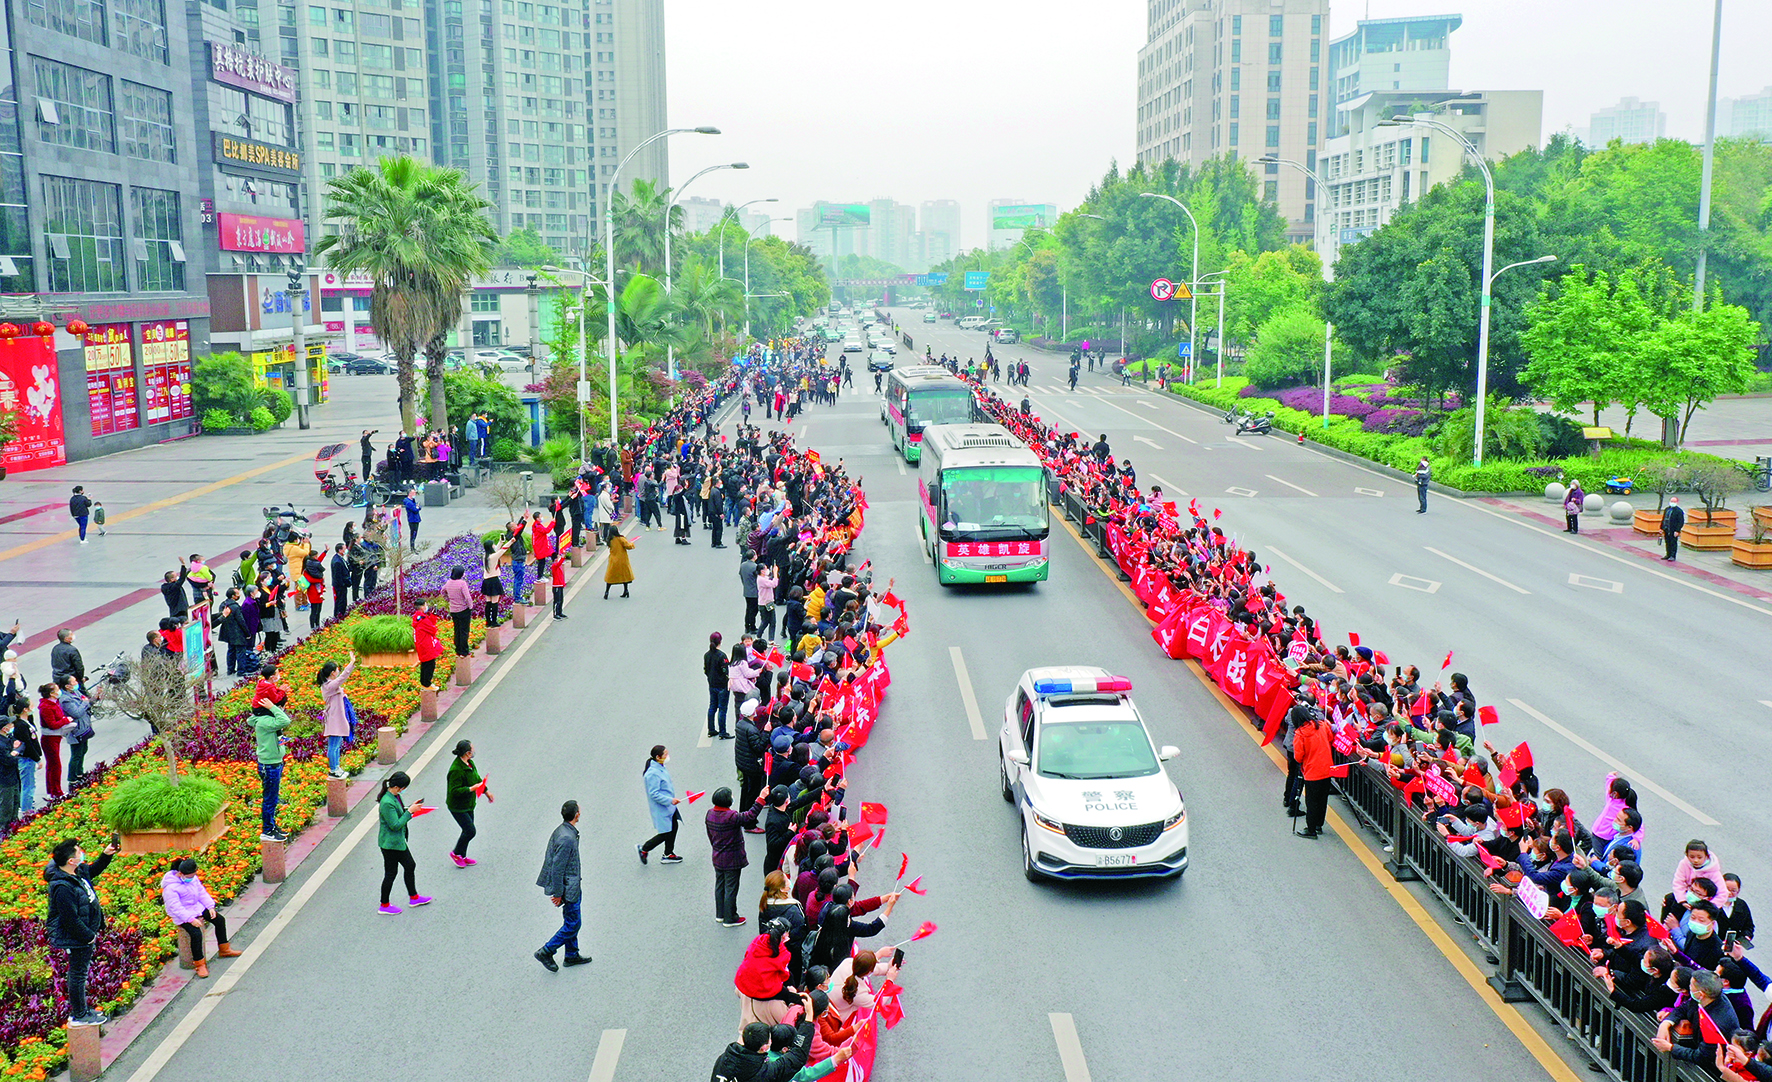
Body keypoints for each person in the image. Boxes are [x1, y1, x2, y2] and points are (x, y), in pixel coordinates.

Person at [45, 834, 118, 1025]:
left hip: (85, 934)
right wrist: (88, 937)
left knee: (81, 973)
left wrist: (106, 855)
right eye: (79, 853)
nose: (82, 854)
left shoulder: (76, 872)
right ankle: (79, 1014)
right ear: (71, 860)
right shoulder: (62, 886)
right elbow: (70, 919)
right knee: (77, 975)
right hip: (77, 937)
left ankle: (83, 1010)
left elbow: (92, 871)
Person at [161, 858, 241, 978]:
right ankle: (199, 964)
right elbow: (176, 908)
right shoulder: (170, 888)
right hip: (182, 915)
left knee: (219, 920)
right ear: (180, 873)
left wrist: (210, 907)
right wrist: (191, 919)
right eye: (190, 875)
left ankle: (224, 949)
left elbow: (201, 892)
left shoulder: (192, 879)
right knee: (196, 934)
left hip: (196, 907)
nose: (193, 877)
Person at [535, 799, 589, 970]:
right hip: (569, 886)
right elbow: (557, 869)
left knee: (571, 919)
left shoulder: (563, 831)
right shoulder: (567, 838)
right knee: (573, 923)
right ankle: (547, 950)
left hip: (569, 884)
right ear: (577, 815)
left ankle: (571, 954)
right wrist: (558, 893)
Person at [706, 787, 764, 926]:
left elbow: (710, 835)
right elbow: (750, 815)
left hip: (717, 855)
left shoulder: (710, 814)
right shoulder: (731, 816)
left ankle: (720, 914)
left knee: (720, 885)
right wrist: (761, 799)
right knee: (731, 888)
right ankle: (730, 917)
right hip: (732, 858)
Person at [376, 771, 431, 914]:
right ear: (399, 787)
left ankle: (412, 897)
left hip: (395, 842)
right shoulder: (387, 802)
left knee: (403, 868)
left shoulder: (395, 797)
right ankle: (386, 904)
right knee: (393, 872)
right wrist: (410, 812)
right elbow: (395, 824)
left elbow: (399, 814)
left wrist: (411, 808)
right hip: (392, 844)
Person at [709, 1011, 815, 1082]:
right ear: (764, 1048)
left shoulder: (724, 1059)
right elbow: (797, 1057)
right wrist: (809, 1019)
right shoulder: (763, 1073)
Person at [252, 664, 293, 841]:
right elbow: (284, 720)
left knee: (273, 799)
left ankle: (272, 827)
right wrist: (273, 706)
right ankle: (267, 830)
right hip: (270, 766)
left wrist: (276, 702)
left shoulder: (265, 719)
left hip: (274, 762)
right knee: (270, 800)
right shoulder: (266, 722)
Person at [637, 744, 682, 864]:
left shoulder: (660, 767)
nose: (668, 756)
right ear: (658, 757)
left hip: (669, 807)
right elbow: (654, 794)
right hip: (663, 807)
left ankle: (668, 853)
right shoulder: (652, 773)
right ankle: (645, 849)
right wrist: (670, 800)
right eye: (665, 754)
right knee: (665, 833)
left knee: (673, 827)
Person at [445, 738, 482, 868]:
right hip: (458, 807)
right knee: (470, 831)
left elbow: (477, 779)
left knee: (467, 830)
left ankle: (463, 855)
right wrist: (471, 789)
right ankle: (456, 853)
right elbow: (454, 791)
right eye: (472, 749)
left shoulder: (470, 764)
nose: (474, 750)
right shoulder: (456, 770)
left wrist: (486, 791)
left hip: (469, 804)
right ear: (467, 753)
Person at [317, 656, 356, 779]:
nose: (338, 671)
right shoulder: (329, 686)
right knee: (333, 746)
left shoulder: (329, 685)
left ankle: (337, 767)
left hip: (337, 719)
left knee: (336, 745)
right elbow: (342, 678)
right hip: (334, 720)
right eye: (337, 669)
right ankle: (333, 769)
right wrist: (351, 663)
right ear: (333, 673)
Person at [58, 675, 94, 781]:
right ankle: (72, 777)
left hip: (84, 727)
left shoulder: (75, 692)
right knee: (76, 754)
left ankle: (80, 772)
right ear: (68, 686)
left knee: (83, 750)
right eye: (74, 682)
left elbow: (85, 702)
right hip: (76, 731)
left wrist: (94, 698)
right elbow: (77, 713)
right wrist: (85, 702)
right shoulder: (65, 700)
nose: (76, 683)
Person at [705, 631, 732, 739]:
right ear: (720, 642)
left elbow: (706, 670)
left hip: (712, 684)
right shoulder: (721, 656)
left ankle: (711, 729)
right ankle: (722, 732)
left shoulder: (706, 655)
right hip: (722, 686)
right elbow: (725, 670)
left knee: (712, 707)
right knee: (722, 709)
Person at [443, 566, 473, 657]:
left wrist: (448, 599)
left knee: (457, 630)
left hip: (453, 610)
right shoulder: (462, 583)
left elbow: (442, 591)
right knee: (464, 631)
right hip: (463, 609)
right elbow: (467, 597)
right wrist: (470, 606)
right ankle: (464, 651)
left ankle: (458, 650)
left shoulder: (448, 582)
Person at [412, 604, 444, 690]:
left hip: (422, 644)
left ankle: (425, 683)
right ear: (422, 607)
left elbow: (429, 624)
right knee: (429, 664)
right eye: (425, 605)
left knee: (425, 664)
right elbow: (432, 629)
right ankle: (426, 684)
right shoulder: (422, 619)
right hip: (426, 645)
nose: (427, 606)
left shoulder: (418, 617)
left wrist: (433, 616)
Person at [604, 530, 635, 600]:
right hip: (622, 559)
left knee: (610, 576)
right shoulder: (621, 539)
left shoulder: (609, 540)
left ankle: (606, 592)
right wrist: (632, 544)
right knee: (624, 575)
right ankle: (626, 590)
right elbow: (628, 546)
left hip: (613, 560)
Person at [329, 543, 351, 622]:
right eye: (344, 549)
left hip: (343, 585)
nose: (346, 550)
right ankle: (338, 615)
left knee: (343, 600)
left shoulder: (341, 558)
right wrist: (343, 584)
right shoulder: (337, 561)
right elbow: (337, 576)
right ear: (340, 550)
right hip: (340, 586)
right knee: (340, 601)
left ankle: (342, 614)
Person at [1661, 496, 1686, 561]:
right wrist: (1661, 528)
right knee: (1667, 542)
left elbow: (1681, 521)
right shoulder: (1667, 509)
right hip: (1667, 528)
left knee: (1673, 542)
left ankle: (1673, 555)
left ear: (1677, 502)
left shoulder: (1679, 511)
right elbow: (1664, 519)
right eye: (1671, 501)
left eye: (1674, 501)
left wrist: (1677, 530)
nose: (1672, 503)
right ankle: (1668, 554)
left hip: (1673, 530)